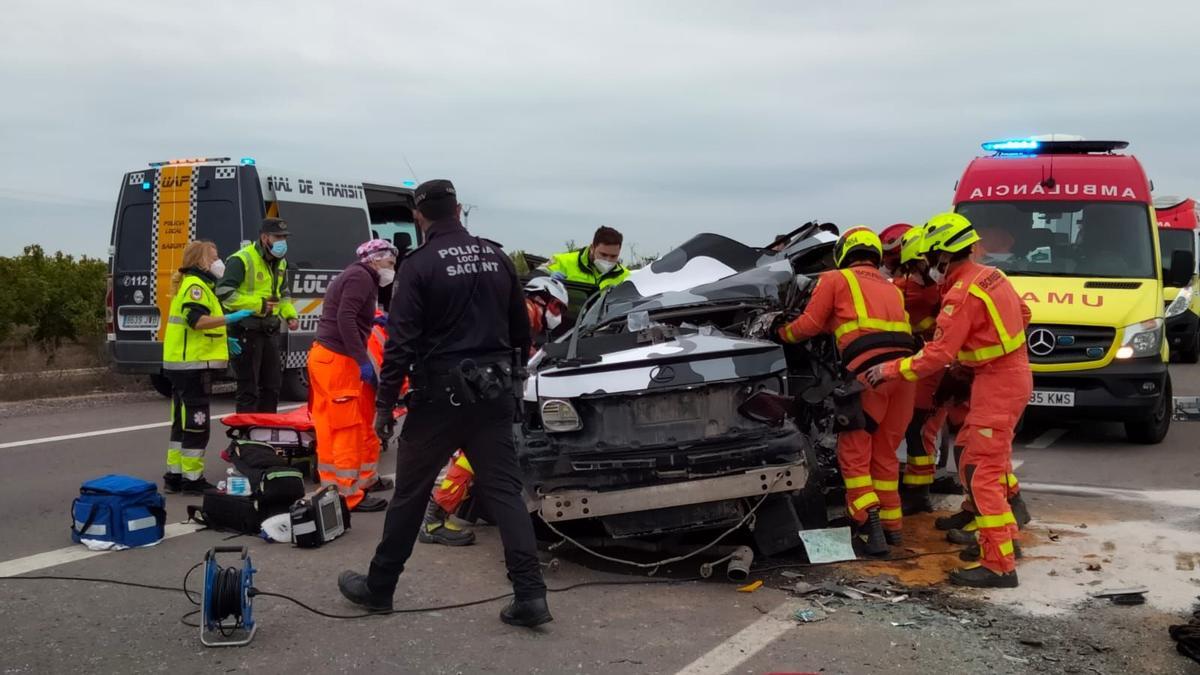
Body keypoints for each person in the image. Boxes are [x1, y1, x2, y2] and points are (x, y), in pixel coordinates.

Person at [338, 179, 551, 627]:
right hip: (493, 395)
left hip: (438, 398)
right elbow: (521, 332)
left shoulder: (418, 266)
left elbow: (399, 346)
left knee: (410, 496)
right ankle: (531, 595)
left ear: (420, 216)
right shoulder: (496, 257)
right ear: (457, 209)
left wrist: (384, 406)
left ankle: (380, 588)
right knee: (505, 492)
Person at [864, 213, 1031, 588]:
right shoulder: (992, 277)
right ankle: (1006, 543)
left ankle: (999, 565)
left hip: (996, 381)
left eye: (930, 260)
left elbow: (937, 354)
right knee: (978, 456)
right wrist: (981, 355)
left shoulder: (962, 293)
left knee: (979, 471)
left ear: (941, 255)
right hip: (1001, 376)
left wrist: (890, 370)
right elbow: (1024, 314)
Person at [777, 226, 916, 556]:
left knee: (854, 455)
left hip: (868, 378)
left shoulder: (835, 279)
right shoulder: (892, 288)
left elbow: (809, 325)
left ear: (843, 255)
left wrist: (780, 332)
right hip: (905, 378)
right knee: (884, 456)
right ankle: (893, 529)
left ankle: (869, 528)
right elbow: (845, 321)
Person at [416, 275, 569, 548]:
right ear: (541, 299)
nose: (557, 316)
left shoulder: (519, 316)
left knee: (483, 455)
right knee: (471, 457)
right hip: (477, 392)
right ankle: (434, 518)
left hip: (474, 388)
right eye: (556, 307)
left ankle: (476, 507)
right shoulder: (520, 313)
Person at [308, 239, 398, 513]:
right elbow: (345, 318)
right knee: (346, 428)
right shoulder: (361, 277)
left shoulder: (356, 275)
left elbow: (346, 314)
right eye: (390, 264)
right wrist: (362, 360)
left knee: (335, 426)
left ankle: (354, 483)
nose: (392, 270)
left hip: (327, 356)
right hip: (338, 360)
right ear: (375, 259)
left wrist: (372, 319)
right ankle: (349, 496)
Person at [162, 240, 253, 493]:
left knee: (181, 422)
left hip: (180, 363)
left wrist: (224, 336)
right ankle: (193, 480)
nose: (218, 261)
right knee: (196, 424)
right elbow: (196, 321)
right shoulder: (197, 286)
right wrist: (229, 318)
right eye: (215, 257)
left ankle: (175, 475)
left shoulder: (194, 283)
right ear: (202, 261)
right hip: (193, 365)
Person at [216, 217, 299, 413]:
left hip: (270, 331)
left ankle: (266, 433)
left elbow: (283, 294)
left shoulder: (281, 263)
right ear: (264, 237)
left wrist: (290, 315)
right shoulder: (241, 259)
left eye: (285, 237)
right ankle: (246, 439)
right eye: (278, 237)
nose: (282, 241)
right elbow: (225, 293)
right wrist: (259, 305)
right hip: (246, 330)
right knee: (248, 389)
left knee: (272, 387)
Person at [892, 227, 944, 512]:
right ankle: (919, 488)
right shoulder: (940, 289)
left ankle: (918, 492)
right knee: (925, 430)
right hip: (943, 369)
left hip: (929, 369)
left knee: (918, 429)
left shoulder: (907, 290)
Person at [543, 225, 630, 291]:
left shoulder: (626, 277)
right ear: (592, 248)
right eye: (603, 255)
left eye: (613, 256)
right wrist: (547, 282)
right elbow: (532, 280)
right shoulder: (561, 261)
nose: (608, 260)